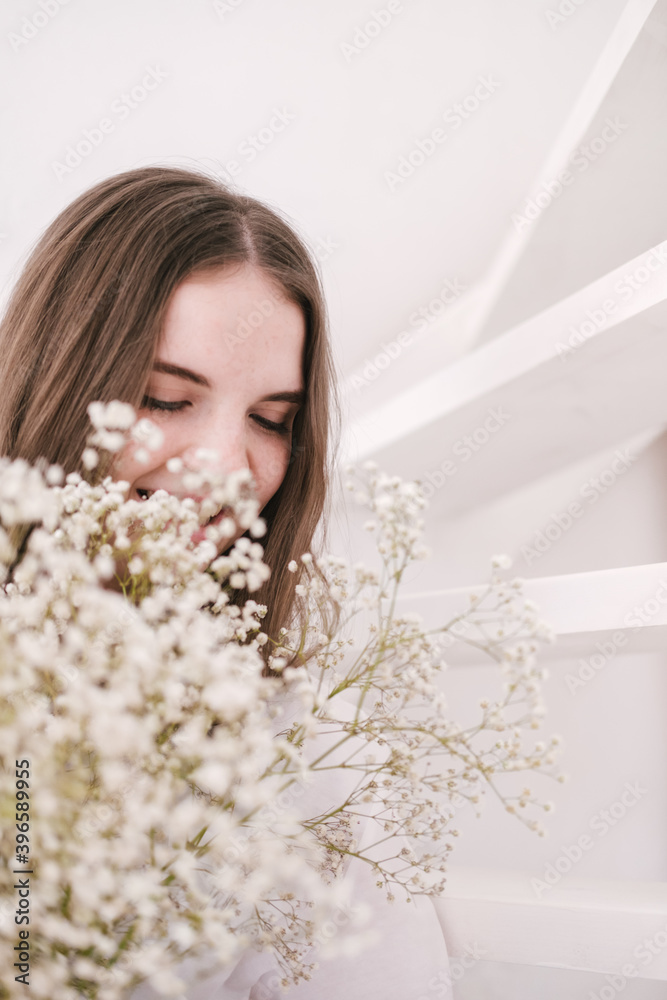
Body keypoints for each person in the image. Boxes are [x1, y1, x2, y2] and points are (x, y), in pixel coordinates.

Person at [0, 166, 452, 997]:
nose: (223, 469)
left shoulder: (303, 759)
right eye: (164, 399)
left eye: (270, 421)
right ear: (57, 383)